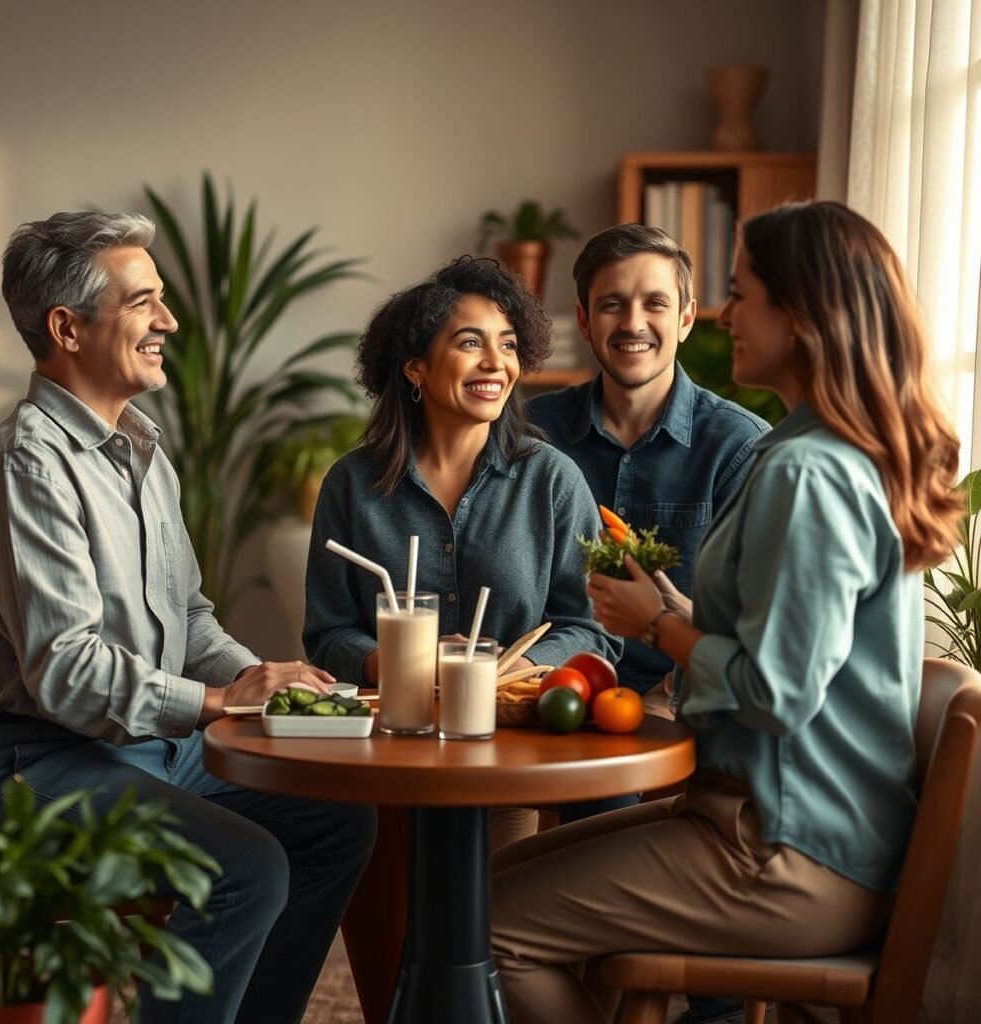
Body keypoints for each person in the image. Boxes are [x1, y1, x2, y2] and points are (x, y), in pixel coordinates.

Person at [490, 200, 963, 1024]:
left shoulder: (803, 472)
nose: (726, 314)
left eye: (743, 295)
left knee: (487, 932)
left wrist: (658, 626)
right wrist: (675, 606)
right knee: (492, 893)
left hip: (784, 853)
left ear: (806, 316)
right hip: (771, 826)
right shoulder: (812, 453)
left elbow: (778, 694)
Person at [0, 212, 376, 1024]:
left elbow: (188, 620)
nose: (169, 322)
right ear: (66, 327)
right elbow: (67, 674)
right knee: (246, 867)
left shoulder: (142, 450)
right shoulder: (24, 464)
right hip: (26, 761)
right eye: (143, 302)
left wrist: (278, 687)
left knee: (334, 824)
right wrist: (221, 702)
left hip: (142, 748)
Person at [303, 255, 622, 1024]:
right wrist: (391, 662)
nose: (497, 363)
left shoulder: (552, 480)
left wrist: (501, 670)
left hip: (507, 750)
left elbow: (589, 628)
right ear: (414, 367)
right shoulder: (353, 485)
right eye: (471, 343)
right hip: (389, 749)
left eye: (509, 344)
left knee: (493, 940)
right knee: (391, 964)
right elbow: (327, 633)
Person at [530, 224, 768, 1024]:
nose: (634, 321)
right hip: (552, 699)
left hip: (689, 709)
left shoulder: (742, 449)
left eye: (654, 302)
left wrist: (664, 631)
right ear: (584, 317)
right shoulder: (535, 433)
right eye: (612, 304)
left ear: (689, 315)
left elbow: (747, 636)